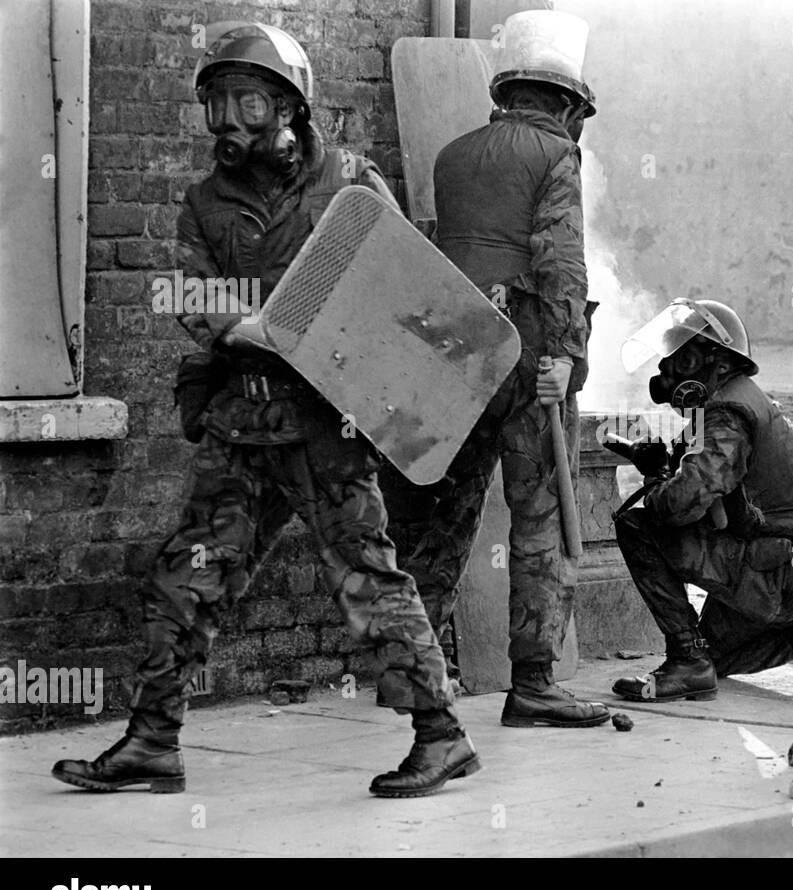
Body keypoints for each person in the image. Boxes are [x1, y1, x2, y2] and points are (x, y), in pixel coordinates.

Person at [52, 22, 476, 799]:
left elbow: (404, 286)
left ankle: (442, 737)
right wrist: (249, 328)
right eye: (216, 105)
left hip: (324, 429)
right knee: (185, 579)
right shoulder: (205, 206)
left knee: (369, 582)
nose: (230, 124)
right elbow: (192, 297)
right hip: (242, 429)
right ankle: (152, 742)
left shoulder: (349, 183)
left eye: (247, 102)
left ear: (289, 105)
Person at [409, 11, 609, 727]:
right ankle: (534, 685)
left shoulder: (453, 154)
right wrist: (566, 358)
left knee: (444, 510)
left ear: (509, 91)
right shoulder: (557, 157)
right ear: (566, 104)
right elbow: (559, 267)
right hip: (525, 359)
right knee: (541, 521)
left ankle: (413, 672)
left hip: (455, 353)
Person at [610, 298, 793, 701]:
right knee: (717, 659)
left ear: (719, 363)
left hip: (782, 570)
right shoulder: (733, 403)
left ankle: (686, 660)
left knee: (638, 527)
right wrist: (662, 462)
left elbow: (681, 504)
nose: (667, 372)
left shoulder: (727, 412)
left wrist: (657, 480)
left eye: (683, 359)